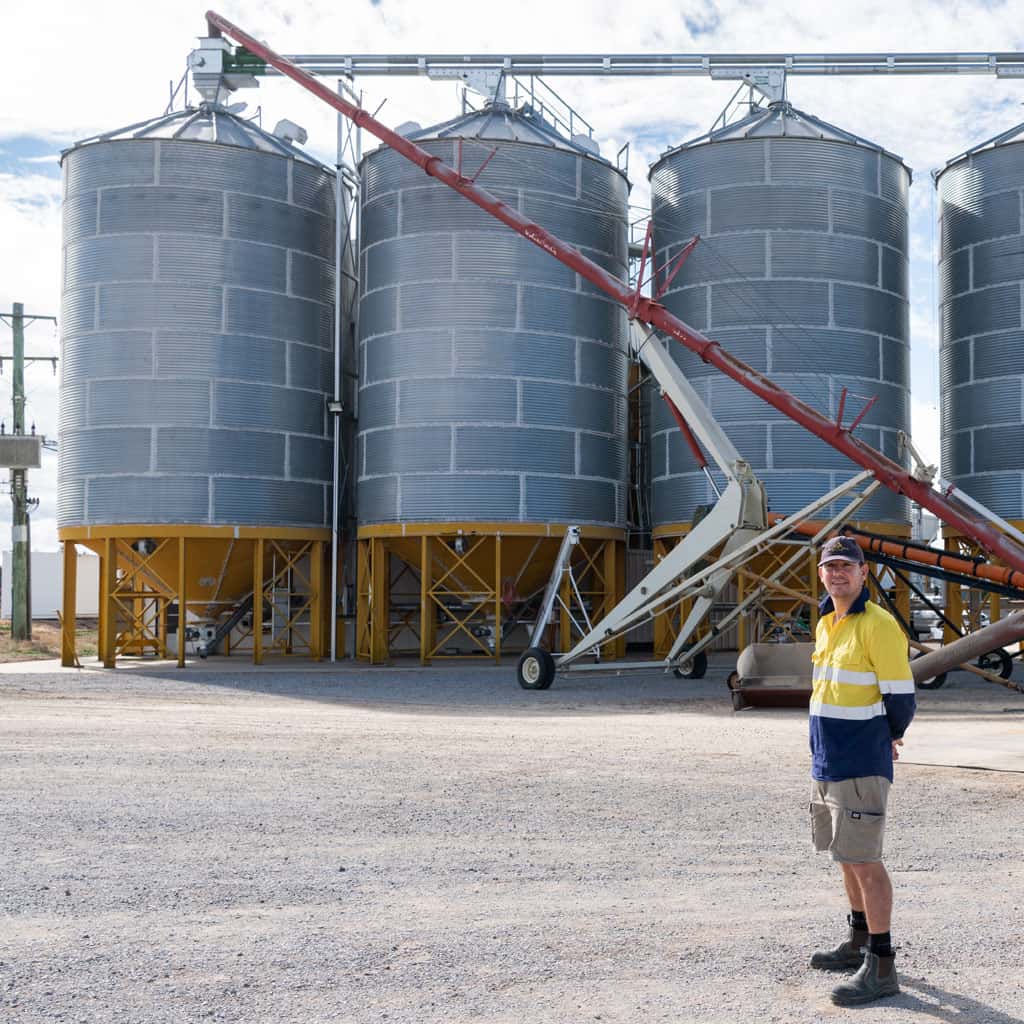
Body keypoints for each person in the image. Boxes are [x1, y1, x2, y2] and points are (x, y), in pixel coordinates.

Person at [807, 535, 916, 1006]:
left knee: (866, 860)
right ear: (821, 573)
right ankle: (856, 940)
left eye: (846, 566)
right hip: (828, 758)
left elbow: (901, 700)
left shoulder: (880, 626)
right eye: (830, 566)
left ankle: (882, 964)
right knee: (845, 855)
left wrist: (884, 737)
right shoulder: (827, 623)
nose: (838, 573)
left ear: (863, 573)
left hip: (860, 759)